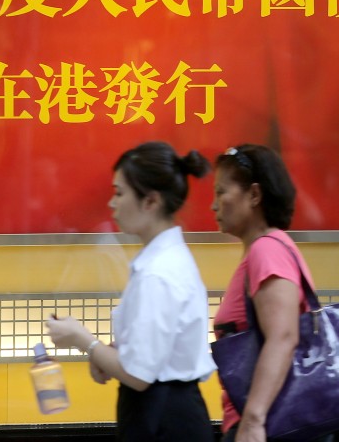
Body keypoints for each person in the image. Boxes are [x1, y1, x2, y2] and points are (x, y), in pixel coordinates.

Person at [47, 142, 216, 442]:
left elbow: (139, 376)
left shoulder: (158, 272)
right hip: (169, 410)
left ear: (150, 201)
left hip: (163, 418)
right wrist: (108, 352)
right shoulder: (163, 260)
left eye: (120, 193)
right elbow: (154, 348)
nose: (112, 203)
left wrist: (83, 340)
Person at [210, 144, 331, 442]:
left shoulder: (266, 250)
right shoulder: (271, 247)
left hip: (269, 424)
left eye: (221, 192)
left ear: (254, 195)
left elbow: (283, 336)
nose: (214, 206)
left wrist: (253, 421)